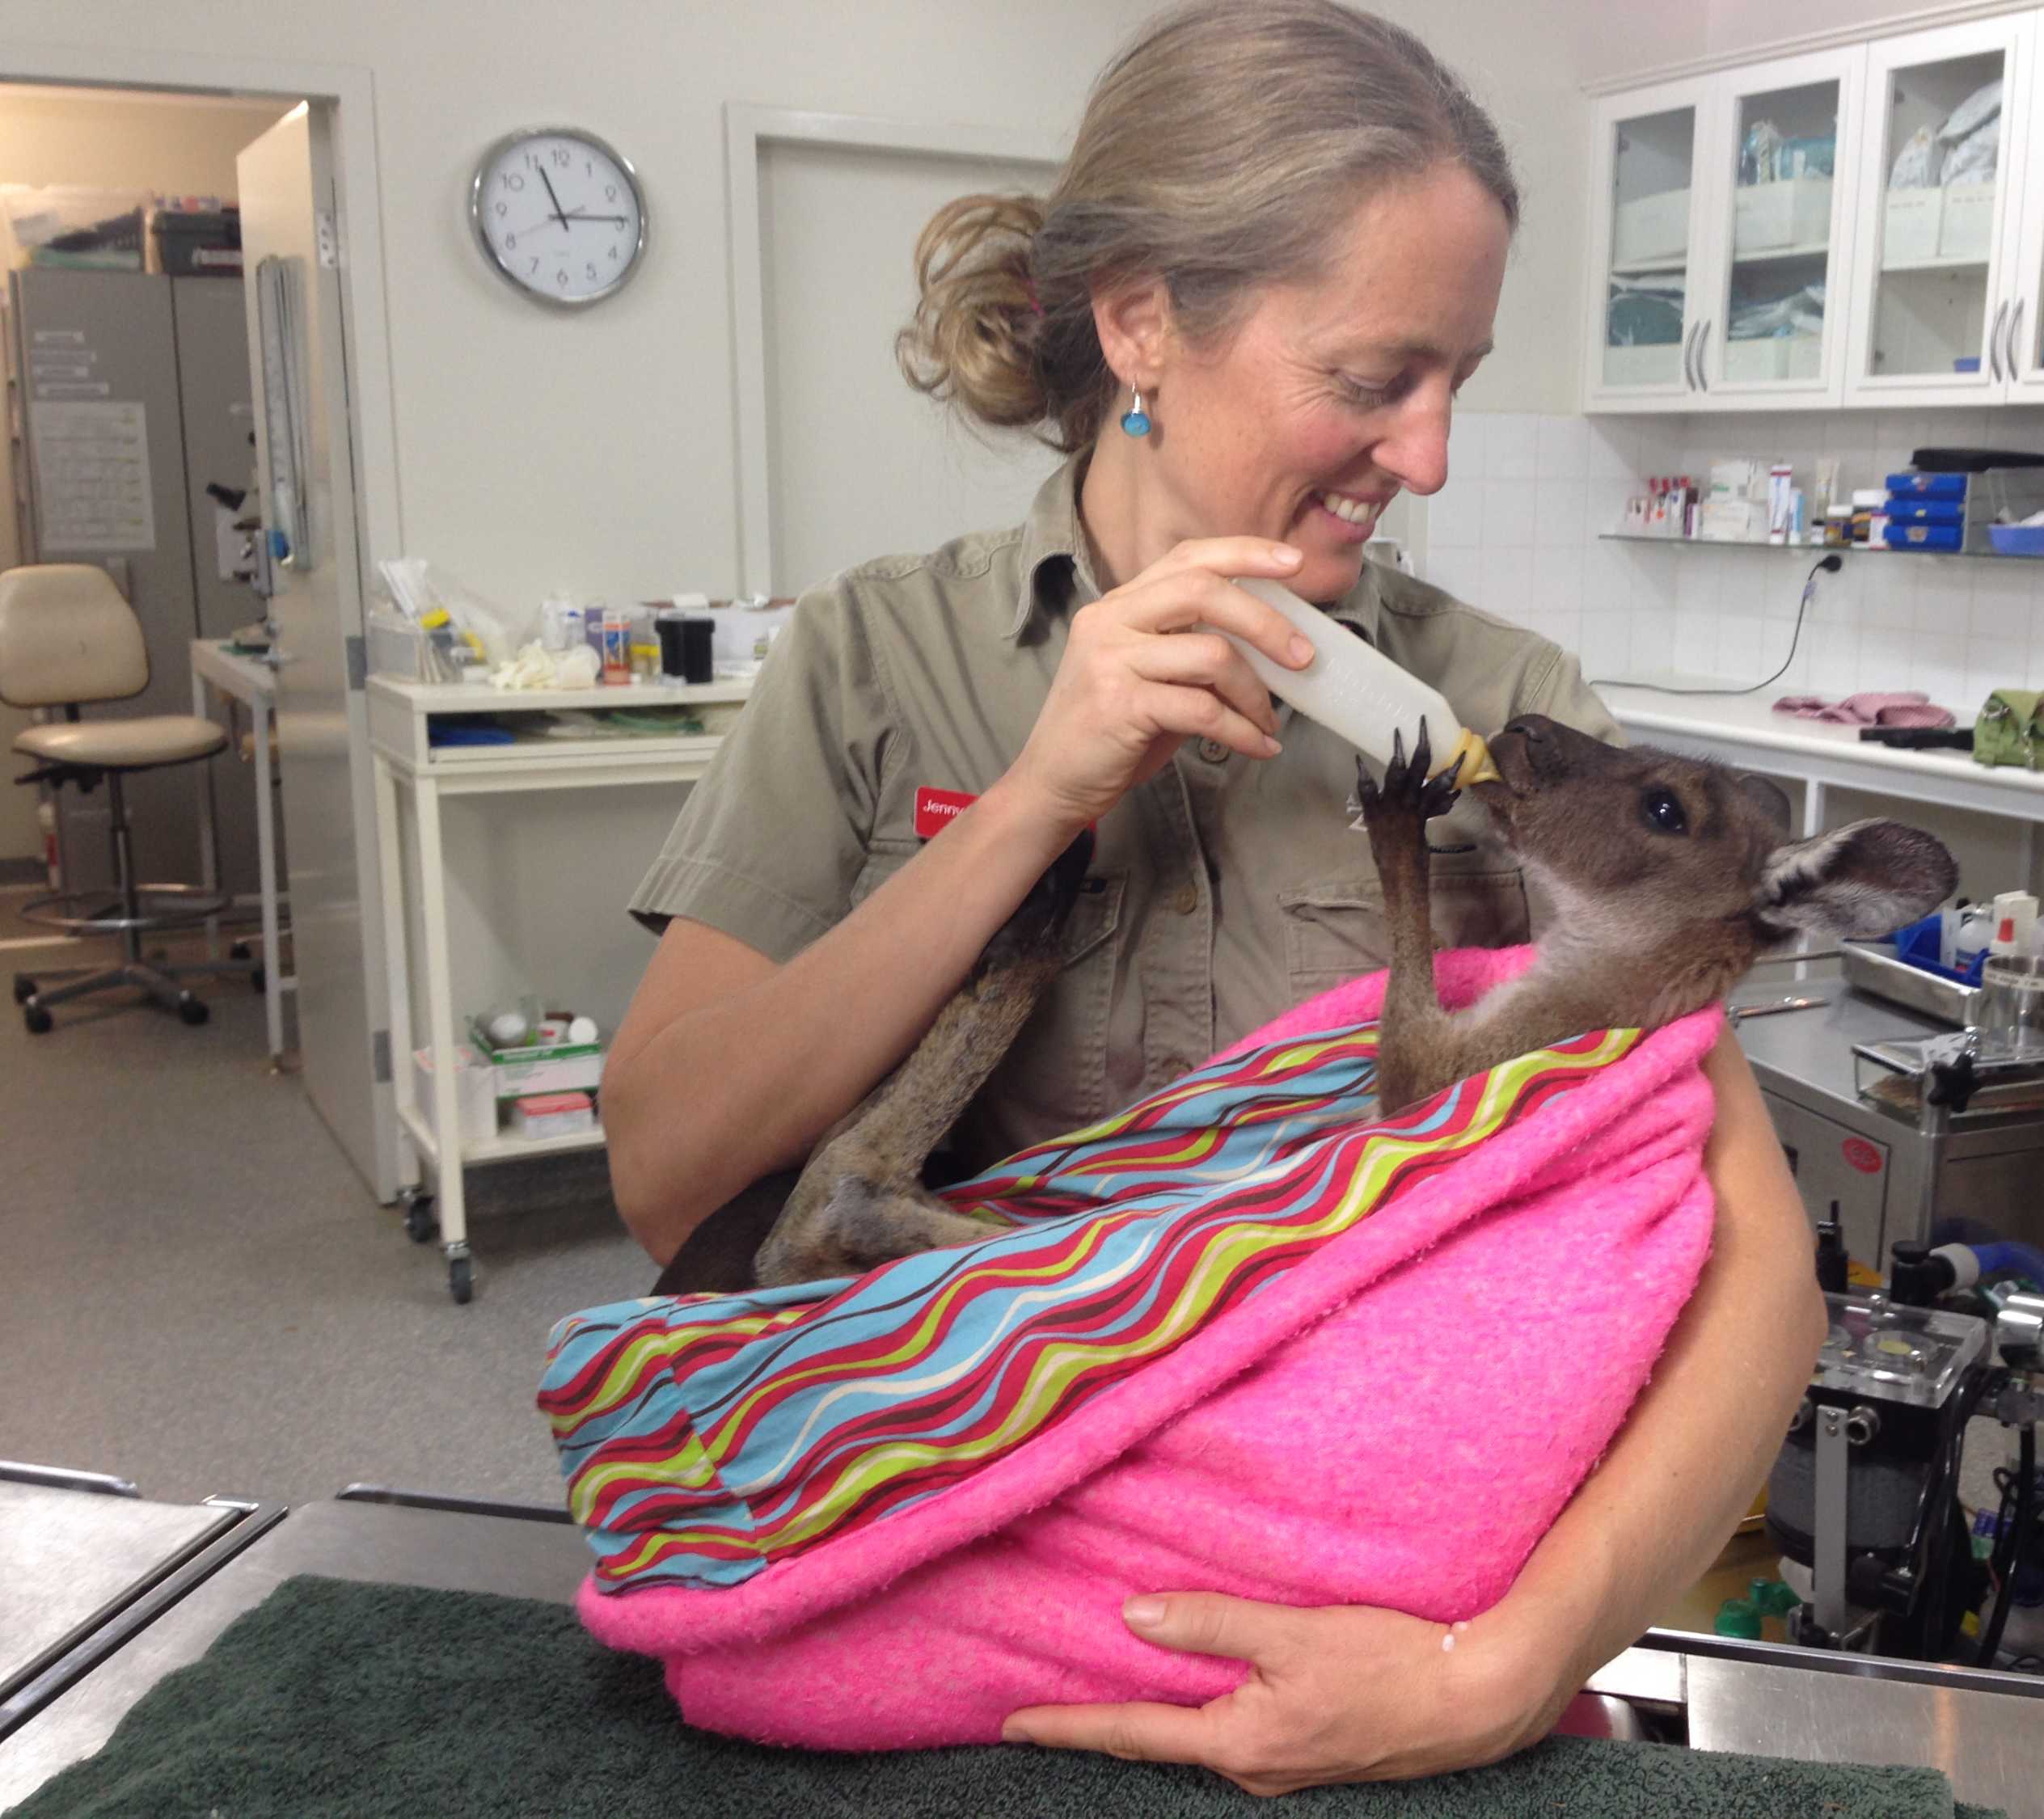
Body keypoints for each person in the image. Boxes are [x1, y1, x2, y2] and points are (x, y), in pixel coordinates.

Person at [602, 0, 1822, 1794]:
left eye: (1457, 381)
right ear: (1144, 323)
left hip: (1359, 1642)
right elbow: (665, 1178)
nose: (1429, 458)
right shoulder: (881, 659)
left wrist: (1504, 1671)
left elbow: (1761, 1275)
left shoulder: (1503, 721)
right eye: (1371, 378)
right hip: (955, 1599)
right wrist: (1032, 802)